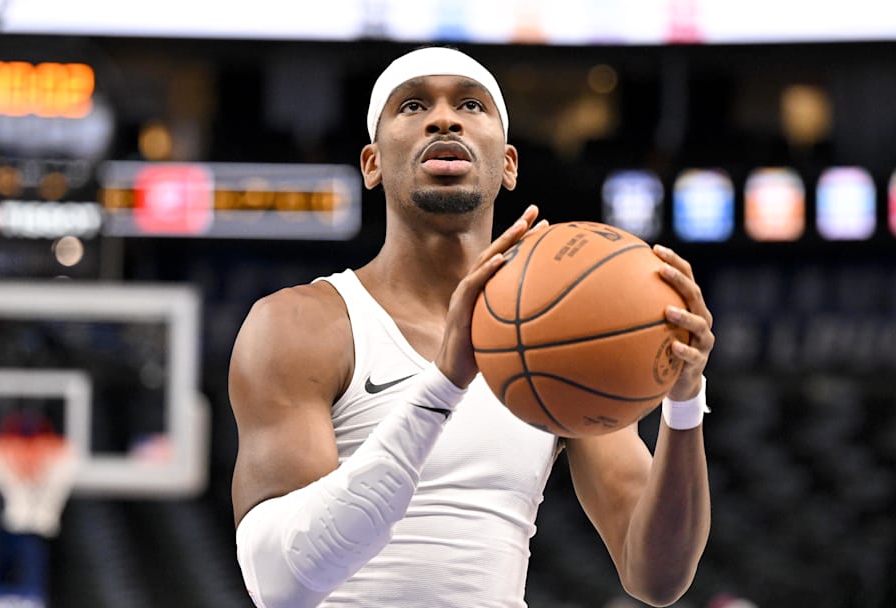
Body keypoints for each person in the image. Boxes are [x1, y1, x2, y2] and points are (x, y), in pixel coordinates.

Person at [228, 46, 715, 608]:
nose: (444, 118)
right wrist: (444, 384)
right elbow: (281, 584)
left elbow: (655, 576)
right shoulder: (300, 323)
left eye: (470, 104)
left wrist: (683, 403)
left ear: (508, 164)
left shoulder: (559, 343)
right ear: (372, 163)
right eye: (412, 106)